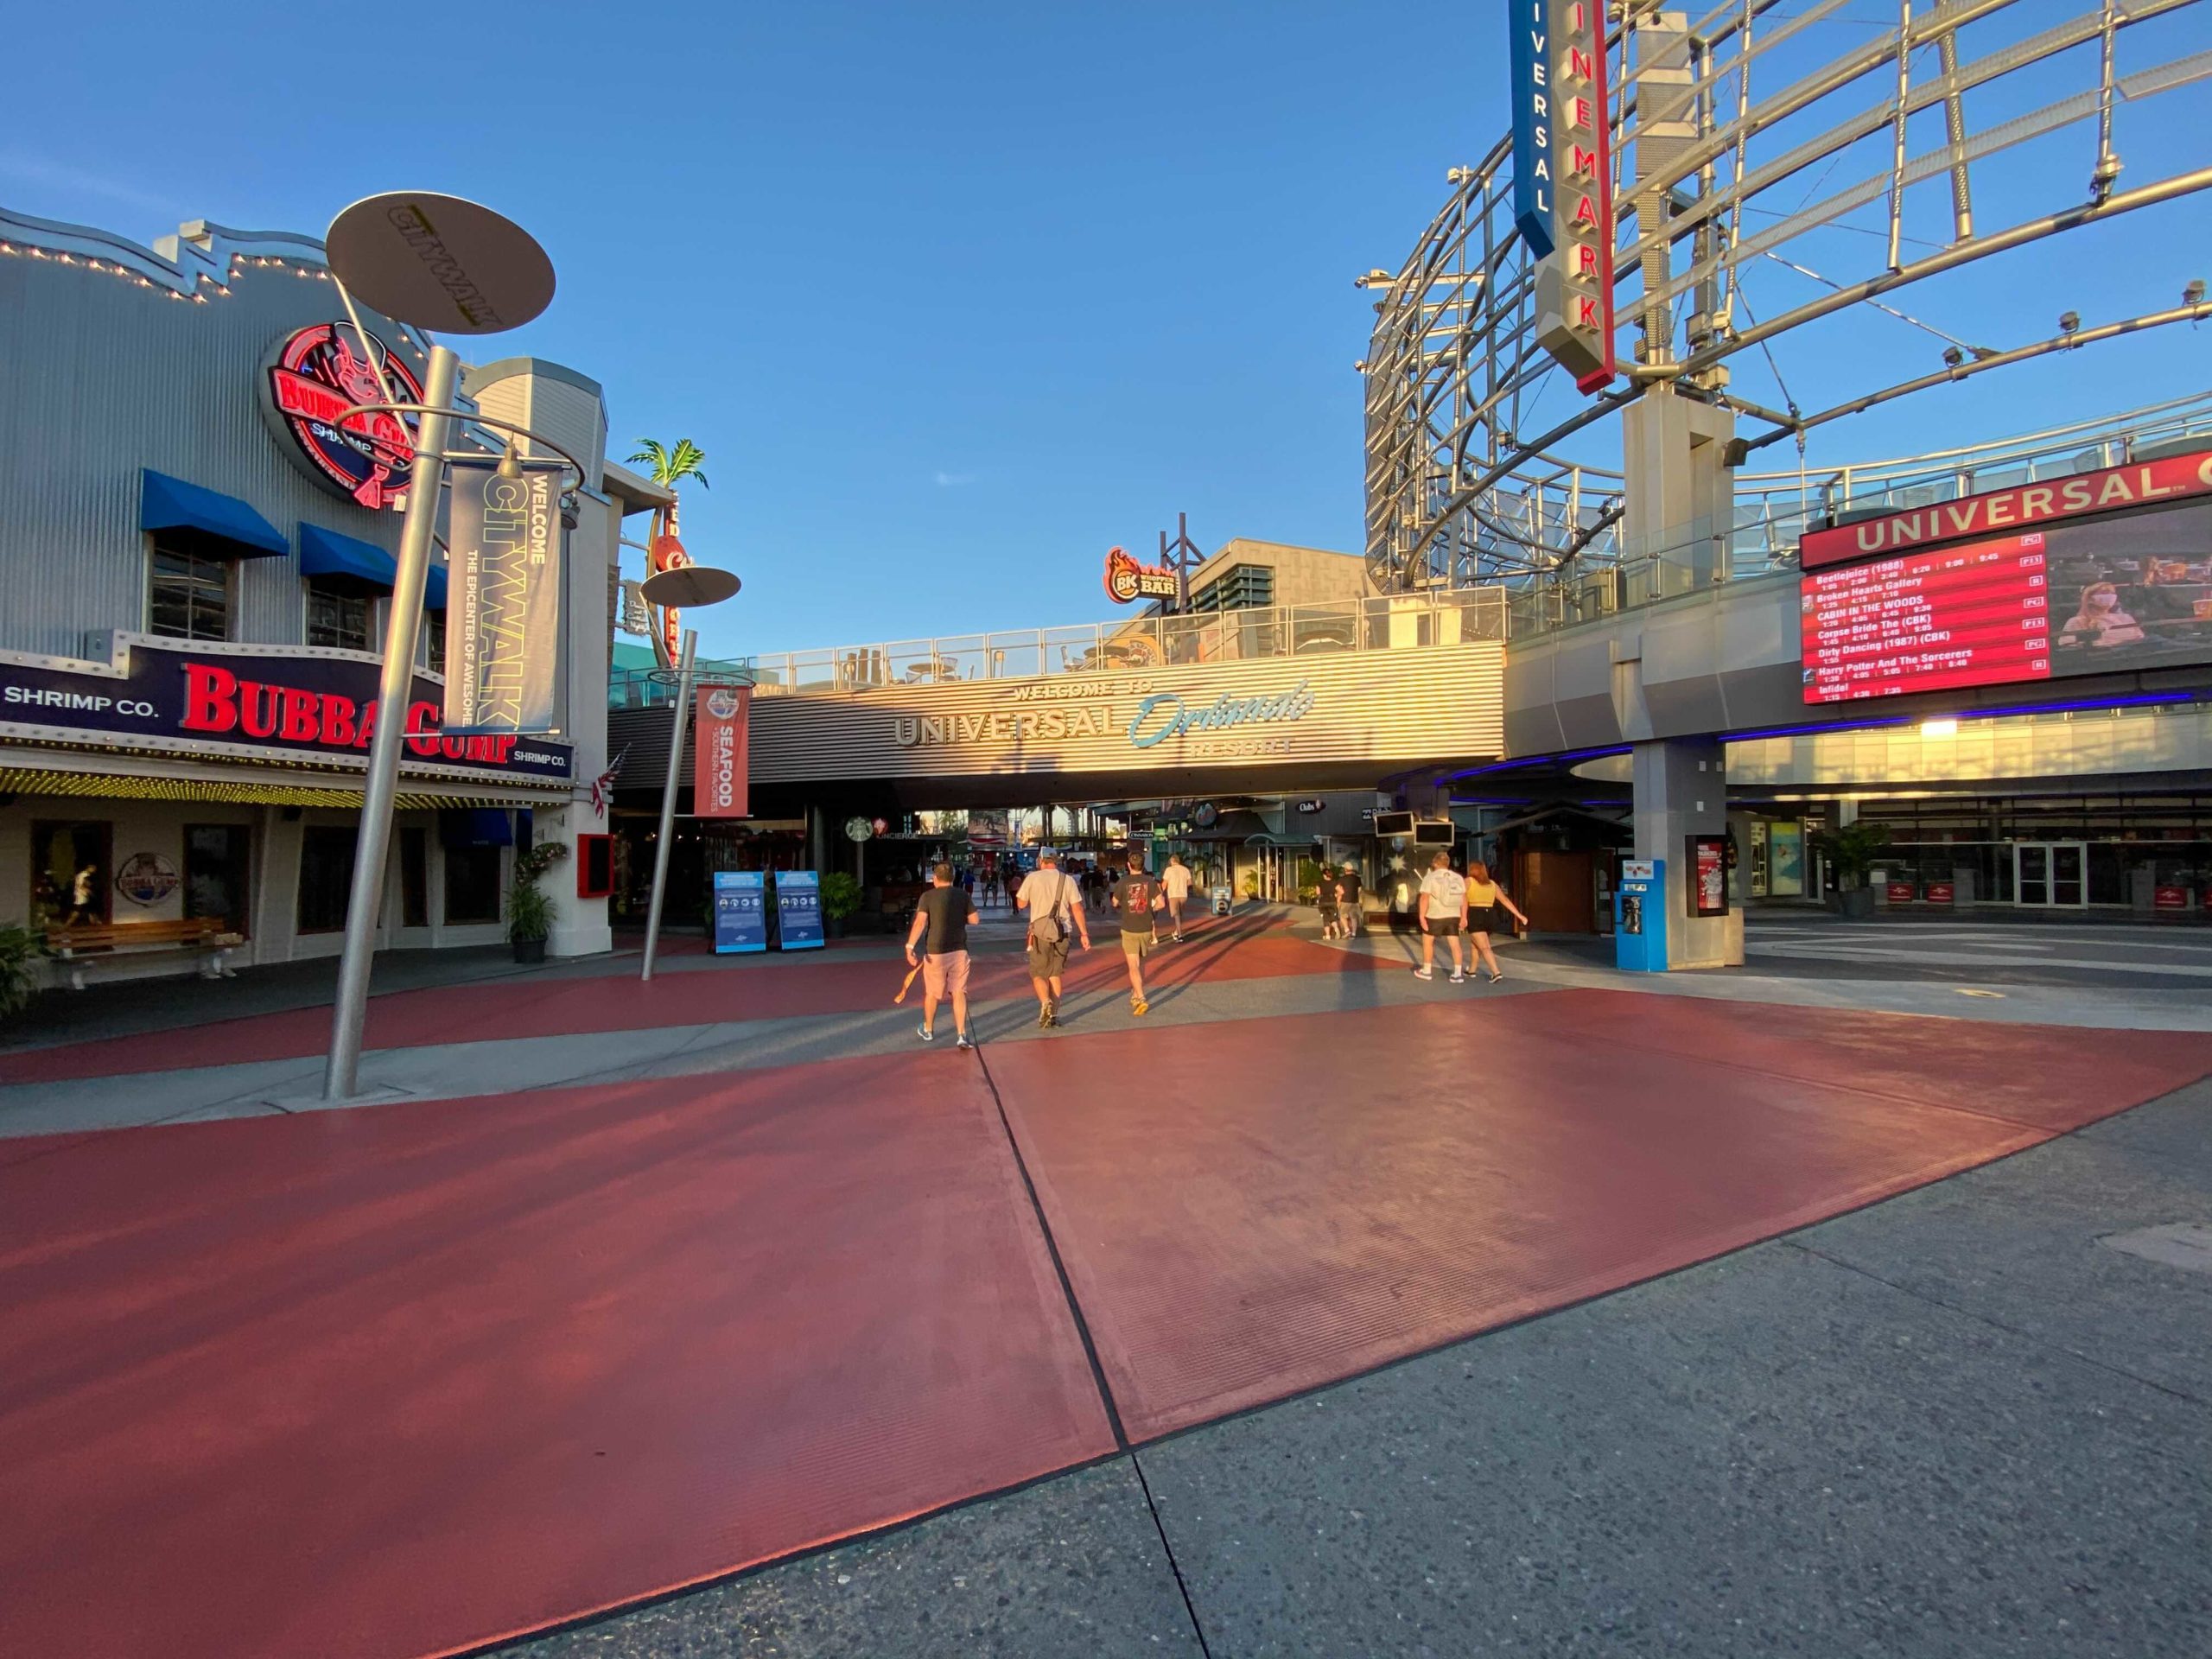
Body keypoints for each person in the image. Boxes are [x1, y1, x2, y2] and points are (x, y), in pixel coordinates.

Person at [905, 861, 981, 1048]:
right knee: (958, 991)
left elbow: (920, 922)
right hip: (959, 951)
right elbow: (975, 920)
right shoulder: (962, 895)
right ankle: (962, 1034)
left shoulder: (928, 896)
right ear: (953, 878)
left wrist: (910, 946)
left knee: (932, 993)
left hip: (935, 952)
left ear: (935, 879)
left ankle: (929, 1029)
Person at [1016, 849, 1089, 1027]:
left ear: (1040, 860)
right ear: (1056, 861)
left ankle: (1044, 1002)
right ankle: (1054, 1015)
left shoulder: (1033, 878)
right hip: (1063, 931)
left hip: (1039, 932)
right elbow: (1077, 909)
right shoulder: (1068, 879)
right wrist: (1084, 934)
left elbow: (1021, 903)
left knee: (1038, 973)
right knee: (1055, 974)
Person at [1113, 850, 1166, 1014]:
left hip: (1129, 928)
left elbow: (1114, 902)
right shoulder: (1150, 881)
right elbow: (1162, 904)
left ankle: (1141, 997)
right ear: (1143, 866)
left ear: (1129, 865)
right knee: (1140, 962)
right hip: (1146, 928)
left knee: (1133, 965)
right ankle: (1136, 993)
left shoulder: (1123, 882)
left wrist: (1122, 904)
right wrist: (1151, 908)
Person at [1463, 860, 1528, 985]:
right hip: (1490, 916)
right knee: (1475, 943)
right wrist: (1519, 916)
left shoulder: (1468, 881)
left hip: (1476, 914)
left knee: (1485, 947)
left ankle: (1496, 972)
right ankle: (1472, 970)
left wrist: (1462, 917)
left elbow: (1462, 898)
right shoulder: (1492, 884)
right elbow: (1504, 900)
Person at [1414, 849, 1470, 982]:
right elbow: (1464, 898)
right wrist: (1464, 917)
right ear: (1448, 863)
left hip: (1435, 914)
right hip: (1453, 914)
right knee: (1455, 944)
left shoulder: (1430, 877)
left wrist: (1422, 916)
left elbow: (1424, 898)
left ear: (1435, 863)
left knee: (1428, 941)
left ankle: (1427, 970)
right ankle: (1457, 974)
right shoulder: (1457, 878)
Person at [2060, 582, 2145, 647]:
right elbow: (2067, 643)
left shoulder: (2125, 617)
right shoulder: (2076, 621)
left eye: (2112, 593)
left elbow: (2140, 638)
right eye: (2105, 593)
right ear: (2090, 599)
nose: (2110, 596)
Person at [1161, 852, 1193, 942]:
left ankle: (1179, 935)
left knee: (1176, 915)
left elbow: (1164, 884)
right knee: (1180, 915)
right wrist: (1182, 885)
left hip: (1173, 894)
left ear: (1172, 861)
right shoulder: (1185, 870)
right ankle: (1176, 932)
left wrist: (1160, 893)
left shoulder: (1169, 870)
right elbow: (1190, 882)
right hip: (1183, 894)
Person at [1335, 861, 1363, 938]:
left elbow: (1337, 887)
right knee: (1354, 917)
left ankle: (1347, 930)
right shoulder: (1357, 878)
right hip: (1354, 900)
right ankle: (1354, 934)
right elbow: (1359, 889)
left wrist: (1340, 893)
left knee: (1342, 916)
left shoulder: (1342, 879)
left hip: (1345, 900)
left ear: (1345, 869)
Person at [1316, 861, 1340, 939]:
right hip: (1332, 901)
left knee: (1325, 919)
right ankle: (1336, 929)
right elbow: (1341, 891)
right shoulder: (1334, 882)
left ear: (1324, 875)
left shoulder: (1320, 883)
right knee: (1333, 918)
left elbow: (1318, 892)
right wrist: (1337, 896)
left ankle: (1328, 935)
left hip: (1323, 902)